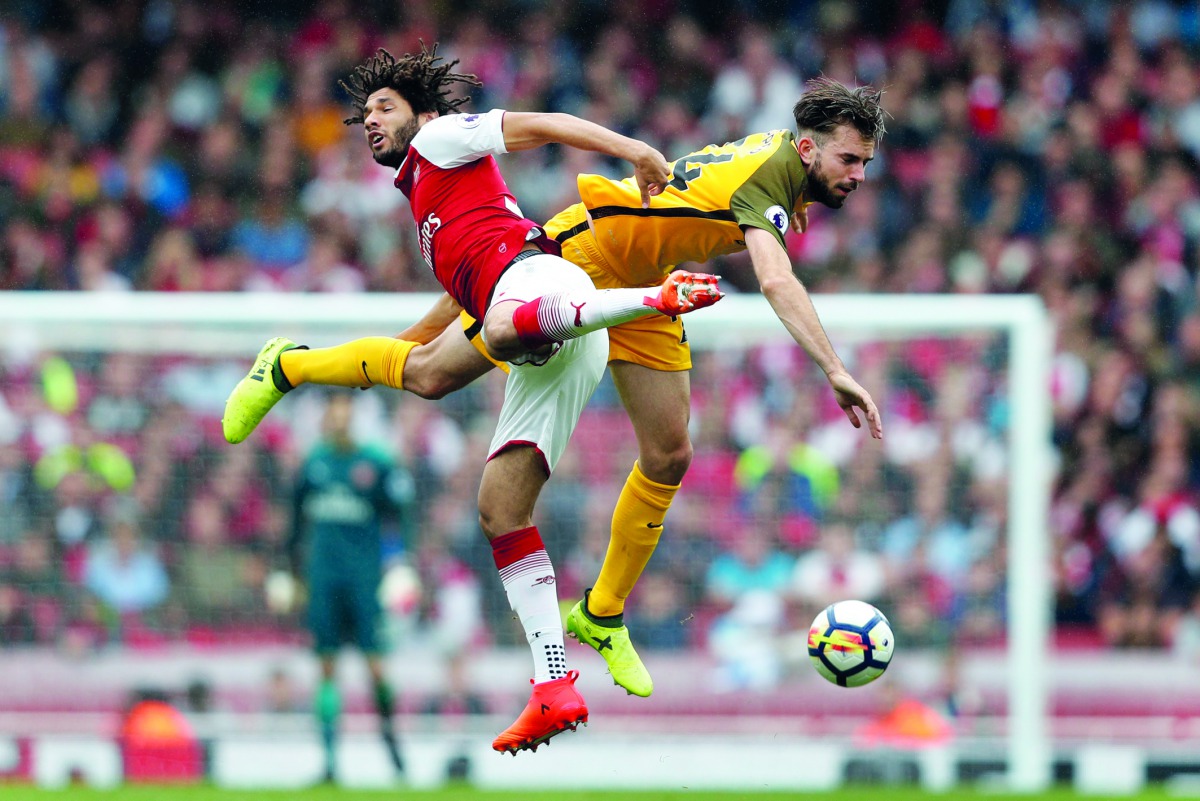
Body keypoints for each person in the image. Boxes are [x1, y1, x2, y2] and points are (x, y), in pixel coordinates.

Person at [226, 73, 886, 700]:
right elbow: (775, 280)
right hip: (577, 256)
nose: (858, 175)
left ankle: (601, 614)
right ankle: (287, 365)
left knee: (669, 453)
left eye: (863, 163)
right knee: (428, 365)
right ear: (807, 147)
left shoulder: (780, 166)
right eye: (850, 160)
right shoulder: (773, 175)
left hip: (641, 279)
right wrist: (834, 368)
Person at [222, 44, 721, 754]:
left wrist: (630, 146)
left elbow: (542, 124)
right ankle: (553, 685)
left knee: (491, 332)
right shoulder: (430, 198)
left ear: (420, 112)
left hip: (546, 290)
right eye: (363, 113)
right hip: (554, 330)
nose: (370, 121)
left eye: (383, 107)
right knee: (486, 483)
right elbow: (448, 313)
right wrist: (374, 363)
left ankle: (655, 297)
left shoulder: (440, 137)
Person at [288, 394, 413, 782]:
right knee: (326, 668)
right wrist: (291, 571)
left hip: (364, 580)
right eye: (333, 413)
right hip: (324, 579)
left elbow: (399, 518)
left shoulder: (376, 464)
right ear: (326, 418)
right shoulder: (314, 463)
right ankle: (328, 764)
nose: (338, 420)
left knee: (375, 668)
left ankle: (393, 750)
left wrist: (399, 565)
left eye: (345, 413)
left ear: (354, 419)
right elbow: (295, 525)